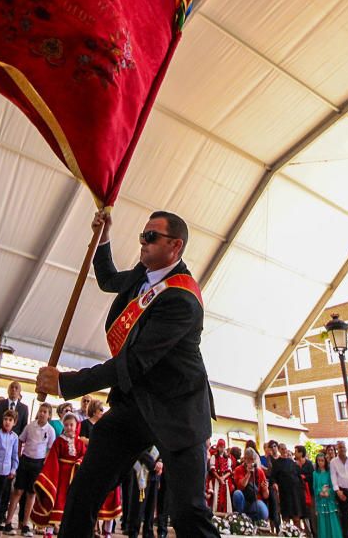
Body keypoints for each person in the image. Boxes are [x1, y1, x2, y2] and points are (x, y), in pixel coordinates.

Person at [36, 210, 220, 538]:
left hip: (179, 412)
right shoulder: (142, 275)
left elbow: (132, 362)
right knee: (85, 489)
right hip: (136, 405)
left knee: (188, 512)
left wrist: (67, 382)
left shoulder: (181, 298)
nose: (143, 242)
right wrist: (103, 236)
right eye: (142, 235)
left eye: (151, 237)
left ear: (175, 246)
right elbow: (108, 279)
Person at [7, 401, 56, 537]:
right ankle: (8, 521)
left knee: (31, 494)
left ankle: (25, 524)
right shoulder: (30, 426)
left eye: (45, 412)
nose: (42, 414)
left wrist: (44, 462)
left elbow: (51, 448)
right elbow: (21, 439)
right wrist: (18, 455)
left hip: (38, 463)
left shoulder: (50, 430)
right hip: (25, 460)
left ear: (49, 415)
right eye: (41, 411)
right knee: (18, 491)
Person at [32, 412, 86, 528]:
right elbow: (52, 459)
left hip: (73, 478)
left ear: (76, 425)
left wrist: (78, 463)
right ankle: (50, 532)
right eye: (66, 425)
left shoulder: (80, 443)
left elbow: (84, 456)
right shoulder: (59, 441)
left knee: (70, 505)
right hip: (60, 478)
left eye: (71, 425)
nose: (69, 427)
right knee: (57, 503)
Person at [232, 446, 270, 523]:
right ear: (245, 459)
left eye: (253, 459)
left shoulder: (259, 472)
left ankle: (255, 521)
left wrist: (266, 488)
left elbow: (266, 495)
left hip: (255, 502)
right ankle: (241, 518)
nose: (252, 462)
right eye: (249, 459)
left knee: (263, 510)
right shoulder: (238, 469)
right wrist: (248, 473)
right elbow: (241, 486)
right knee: (237, 494)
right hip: (243, 501)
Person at [315, 452, 344, 538]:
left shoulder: (329, 473)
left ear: (325, 461)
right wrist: (320, 492)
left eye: (322, 460)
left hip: (330, 500)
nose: (320, 462)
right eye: (318, 461)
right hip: (320, 500)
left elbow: (333, 485)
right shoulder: (315, 474)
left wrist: (329, 492)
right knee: (322, 521)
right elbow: (315, 487)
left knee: (332, 520)